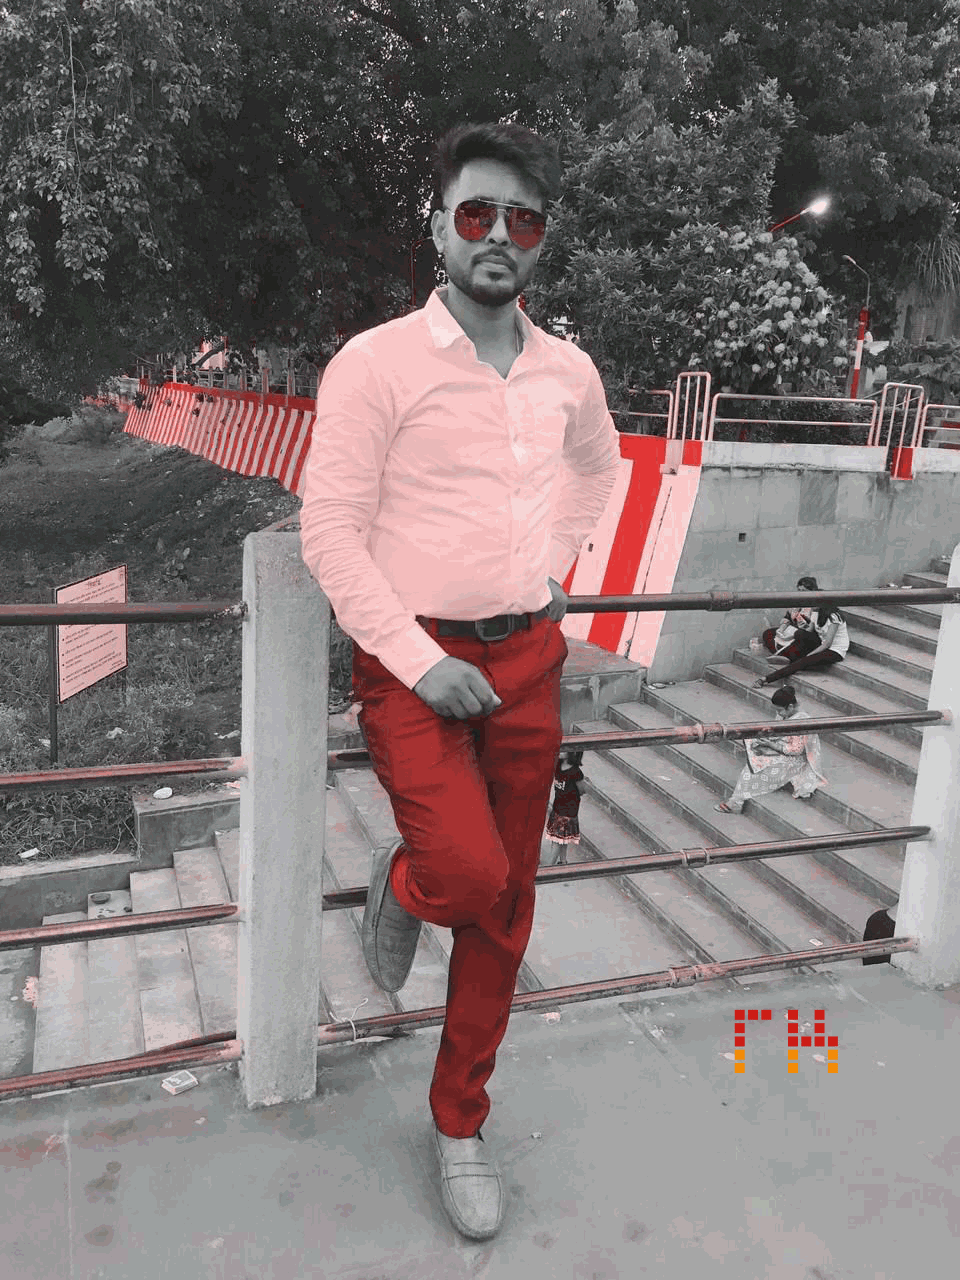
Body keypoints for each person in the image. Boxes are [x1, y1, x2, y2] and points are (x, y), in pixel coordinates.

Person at [299, 121, 621, 1242]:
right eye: (477, 212)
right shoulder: (377, 363)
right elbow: (330, 533)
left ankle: (459, 1121)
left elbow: (599, 470)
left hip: (530, 655)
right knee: (468, 870)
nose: (498, 235)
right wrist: (423, 660)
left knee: (508, 906)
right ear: (438, 225)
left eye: (522, 219)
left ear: (542, 241)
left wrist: (553, 563)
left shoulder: (567, 371)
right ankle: (409, 880)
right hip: (412, 660)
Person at [714, 685, 827, 813]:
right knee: (754, 750)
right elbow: (778, 731)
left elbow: (796, 750)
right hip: (781, 748)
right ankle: (737, 800)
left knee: (757, 767)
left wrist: (771, 745)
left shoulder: (802, 720)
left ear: (790, 707)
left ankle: (736, 801)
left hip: (796, 760)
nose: (778, 714)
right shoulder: (785, 715)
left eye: (780, 710)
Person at [754, 576, 849, 688]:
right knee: (799, 645)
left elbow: (827, 644)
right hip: (820, 643)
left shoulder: (834, 617)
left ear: (822, 603)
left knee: (803, 662)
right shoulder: (816, 613)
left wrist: (809, 655)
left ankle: (765, 679)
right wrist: (794, 634)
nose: (810, 605)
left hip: (835, 651)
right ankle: (789, 658)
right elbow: (808, 632)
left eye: (813, 602)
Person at [760, 576, 818, 661]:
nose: (801, 593)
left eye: (804, 591)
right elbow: (787, 618)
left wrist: (796, 631)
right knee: (767, 633)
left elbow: (812, 628)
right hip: (791, 631)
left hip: (804, 635)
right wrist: (782, 629)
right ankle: (783, 655)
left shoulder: (815, 606)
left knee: (799, 637)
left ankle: (785, 655)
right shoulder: (796, 603)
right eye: (799, 590)